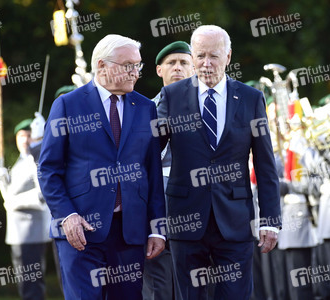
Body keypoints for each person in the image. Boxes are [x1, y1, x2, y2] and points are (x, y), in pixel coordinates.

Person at [157, 25, 281, 300]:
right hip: (185, 219)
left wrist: (270, 220)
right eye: (199, 56)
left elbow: (265, 163)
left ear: (228, 56)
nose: (206, 63)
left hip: (235, 220)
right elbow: (150, 157)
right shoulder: (172, 96)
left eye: (214, 56)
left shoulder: (251, 98)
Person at [38, 34, 166, 300]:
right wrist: (67, 216)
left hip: (130, 232)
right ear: (101, 66)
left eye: (138, 66)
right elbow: (48, 169)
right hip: (80, 232)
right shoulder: (67, 105)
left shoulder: (145, 108)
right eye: (127, 65)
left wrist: (156, 227)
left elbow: (152, 172)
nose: (135, 72)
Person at [143, 41, 194, 300]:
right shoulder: (144, 109)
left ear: (195, 69)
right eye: (171, 63)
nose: (178, 68)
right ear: (159, 70)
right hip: (160, 205)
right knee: (160, 286)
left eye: (184, 63)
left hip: (200, 208)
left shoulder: (211, 108)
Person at [0, 119, 51, 300]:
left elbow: (42, 195)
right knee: (24, 283)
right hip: (18, 232)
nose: (25, 140)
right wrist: (0, 178)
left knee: (31, 284)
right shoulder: (18, 162)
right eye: (21, 136)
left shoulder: (37, 160)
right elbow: (13, 190)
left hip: (31, 231)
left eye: (29, 135)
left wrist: (13, 202)